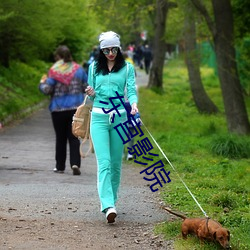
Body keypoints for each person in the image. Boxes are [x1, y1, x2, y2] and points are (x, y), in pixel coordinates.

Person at [85, 31, 138, 223]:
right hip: (98, 118)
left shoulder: (127, 68)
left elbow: (131, 90)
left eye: (114, 49)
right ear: (101, 50)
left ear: (119, 48)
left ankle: (112, 202)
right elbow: (91, 97)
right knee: (104, 163)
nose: (110, 53)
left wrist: (133, 103)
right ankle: (107, 205)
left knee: (116, 164)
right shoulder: (93, 68)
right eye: (106, 50)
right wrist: (90, 92)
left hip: (120, 119)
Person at [39, 45, 88, 175]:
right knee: (74, 137)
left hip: (58, 109)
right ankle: (75, 163)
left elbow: (47, 90)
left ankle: (60, 166)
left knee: (60, 138)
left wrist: (42, 83)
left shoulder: (54, 71)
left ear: (58, 57)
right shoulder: (79, 70)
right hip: (75, 109)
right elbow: (86, 87)